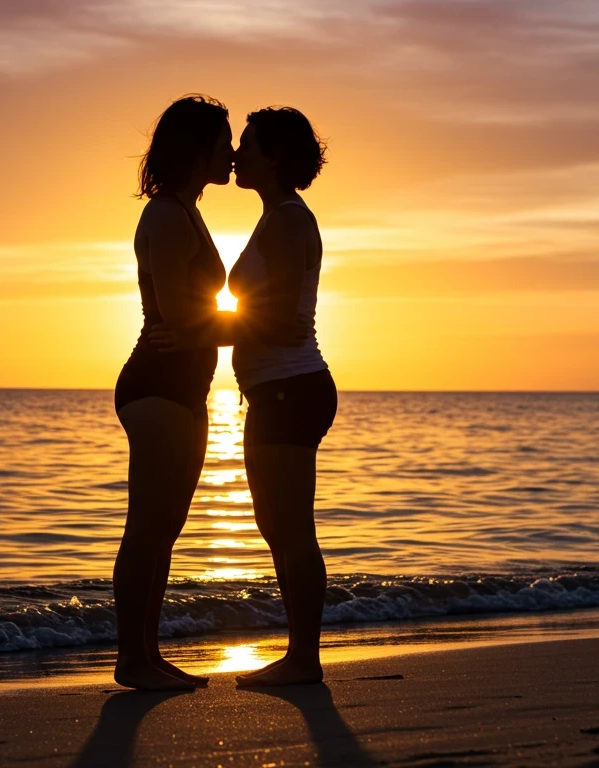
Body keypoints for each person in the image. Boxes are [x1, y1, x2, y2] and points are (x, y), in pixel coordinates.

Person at [153, 106, 335, 686]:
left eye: (250, 147)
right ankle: (300, 655)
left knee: (290, 528)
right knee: (276, 524)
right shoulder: (277, 217)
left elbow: (279, 323)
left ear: (277, 158)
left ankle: (304, 659)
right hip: (276, 390)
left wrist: (192, 330)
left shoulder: (286, 221)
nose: (238, 156)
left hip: (290, 386)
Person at [111, 94, 233, 691]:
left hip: (187, 387)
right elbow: (184, 317)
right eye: (223, 141)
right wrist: (268, 328)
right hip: (156, 383)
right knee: (148, 526)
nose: (232, 153)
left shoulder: (186, 210)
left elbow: (193, 317)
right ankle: (132, 659)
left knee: (165, 528)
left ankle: (148, 655)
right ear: (196, 147)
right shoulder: (165, 214)